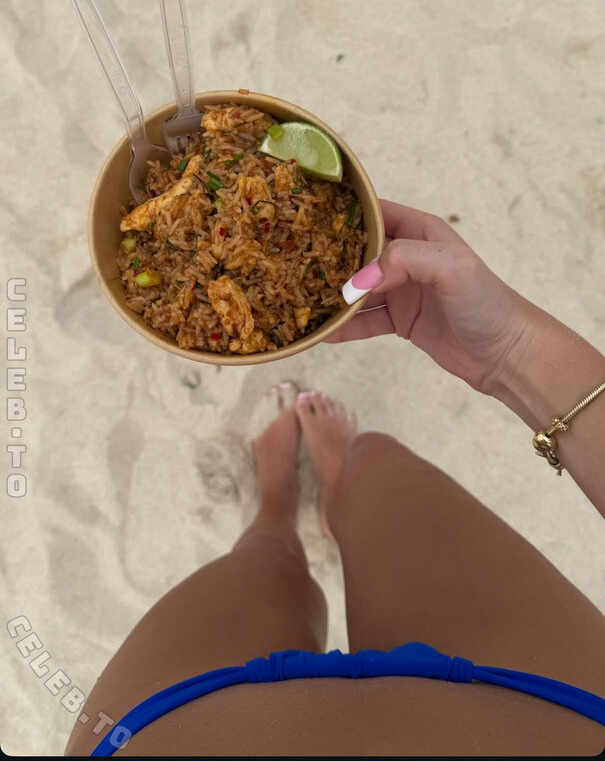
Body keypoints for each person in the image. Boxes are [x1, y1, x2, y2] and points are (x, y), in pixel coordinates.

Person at [66, 201, 605, 757]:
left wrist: (516, 355)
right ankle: (329, 486)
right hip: (540, 703)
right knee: (375, 458)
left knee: (265, 558)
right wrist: (514, 351)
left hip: (178, 727)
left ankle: (279, 506)